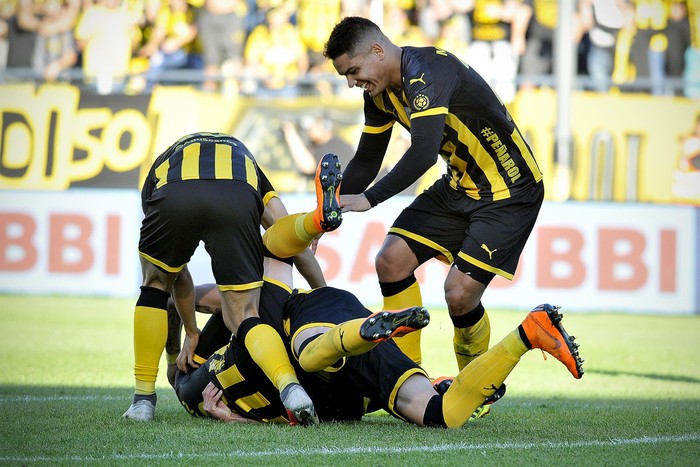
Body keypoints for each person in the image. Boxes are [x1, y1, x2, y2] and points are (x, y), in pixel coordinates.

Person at [322, 17, 545, 373]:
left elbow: (424, 153)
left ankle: (475, 390)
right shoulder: (377, 93)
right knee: (390, 261)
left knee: (458, 294)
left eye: (353, 70)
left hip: (510, 192)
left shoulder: (429, 71)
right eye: (345, 76)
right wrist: (322, 217)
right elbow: (366, 160)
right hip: (459, 185)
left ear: (377, 50)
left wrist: (370, 199)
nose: (351, 83)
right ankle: (408, 375)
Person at [173, 247, 584, 428]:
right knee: (442, 416)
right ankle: (529, 333)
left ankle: (367, 334)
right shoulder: (242, 329)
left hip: (320, 327)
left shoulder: (242, 343)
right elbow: (276, 254)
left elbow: (272, 261)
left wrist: (230, 416)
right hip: (334, 377)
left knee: (310, 355)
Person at [122, 134, 342, 423]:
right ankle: (289, 386)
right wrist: (323, 295)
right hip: (236, 192)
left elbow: (176, 278)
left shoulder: (161, 168)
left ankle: (143, 401)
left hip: (175, 191)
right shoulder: (247, 163)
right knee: (244, 316)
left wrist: (190, 332)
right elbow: (288, 237)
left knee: (154, 286)